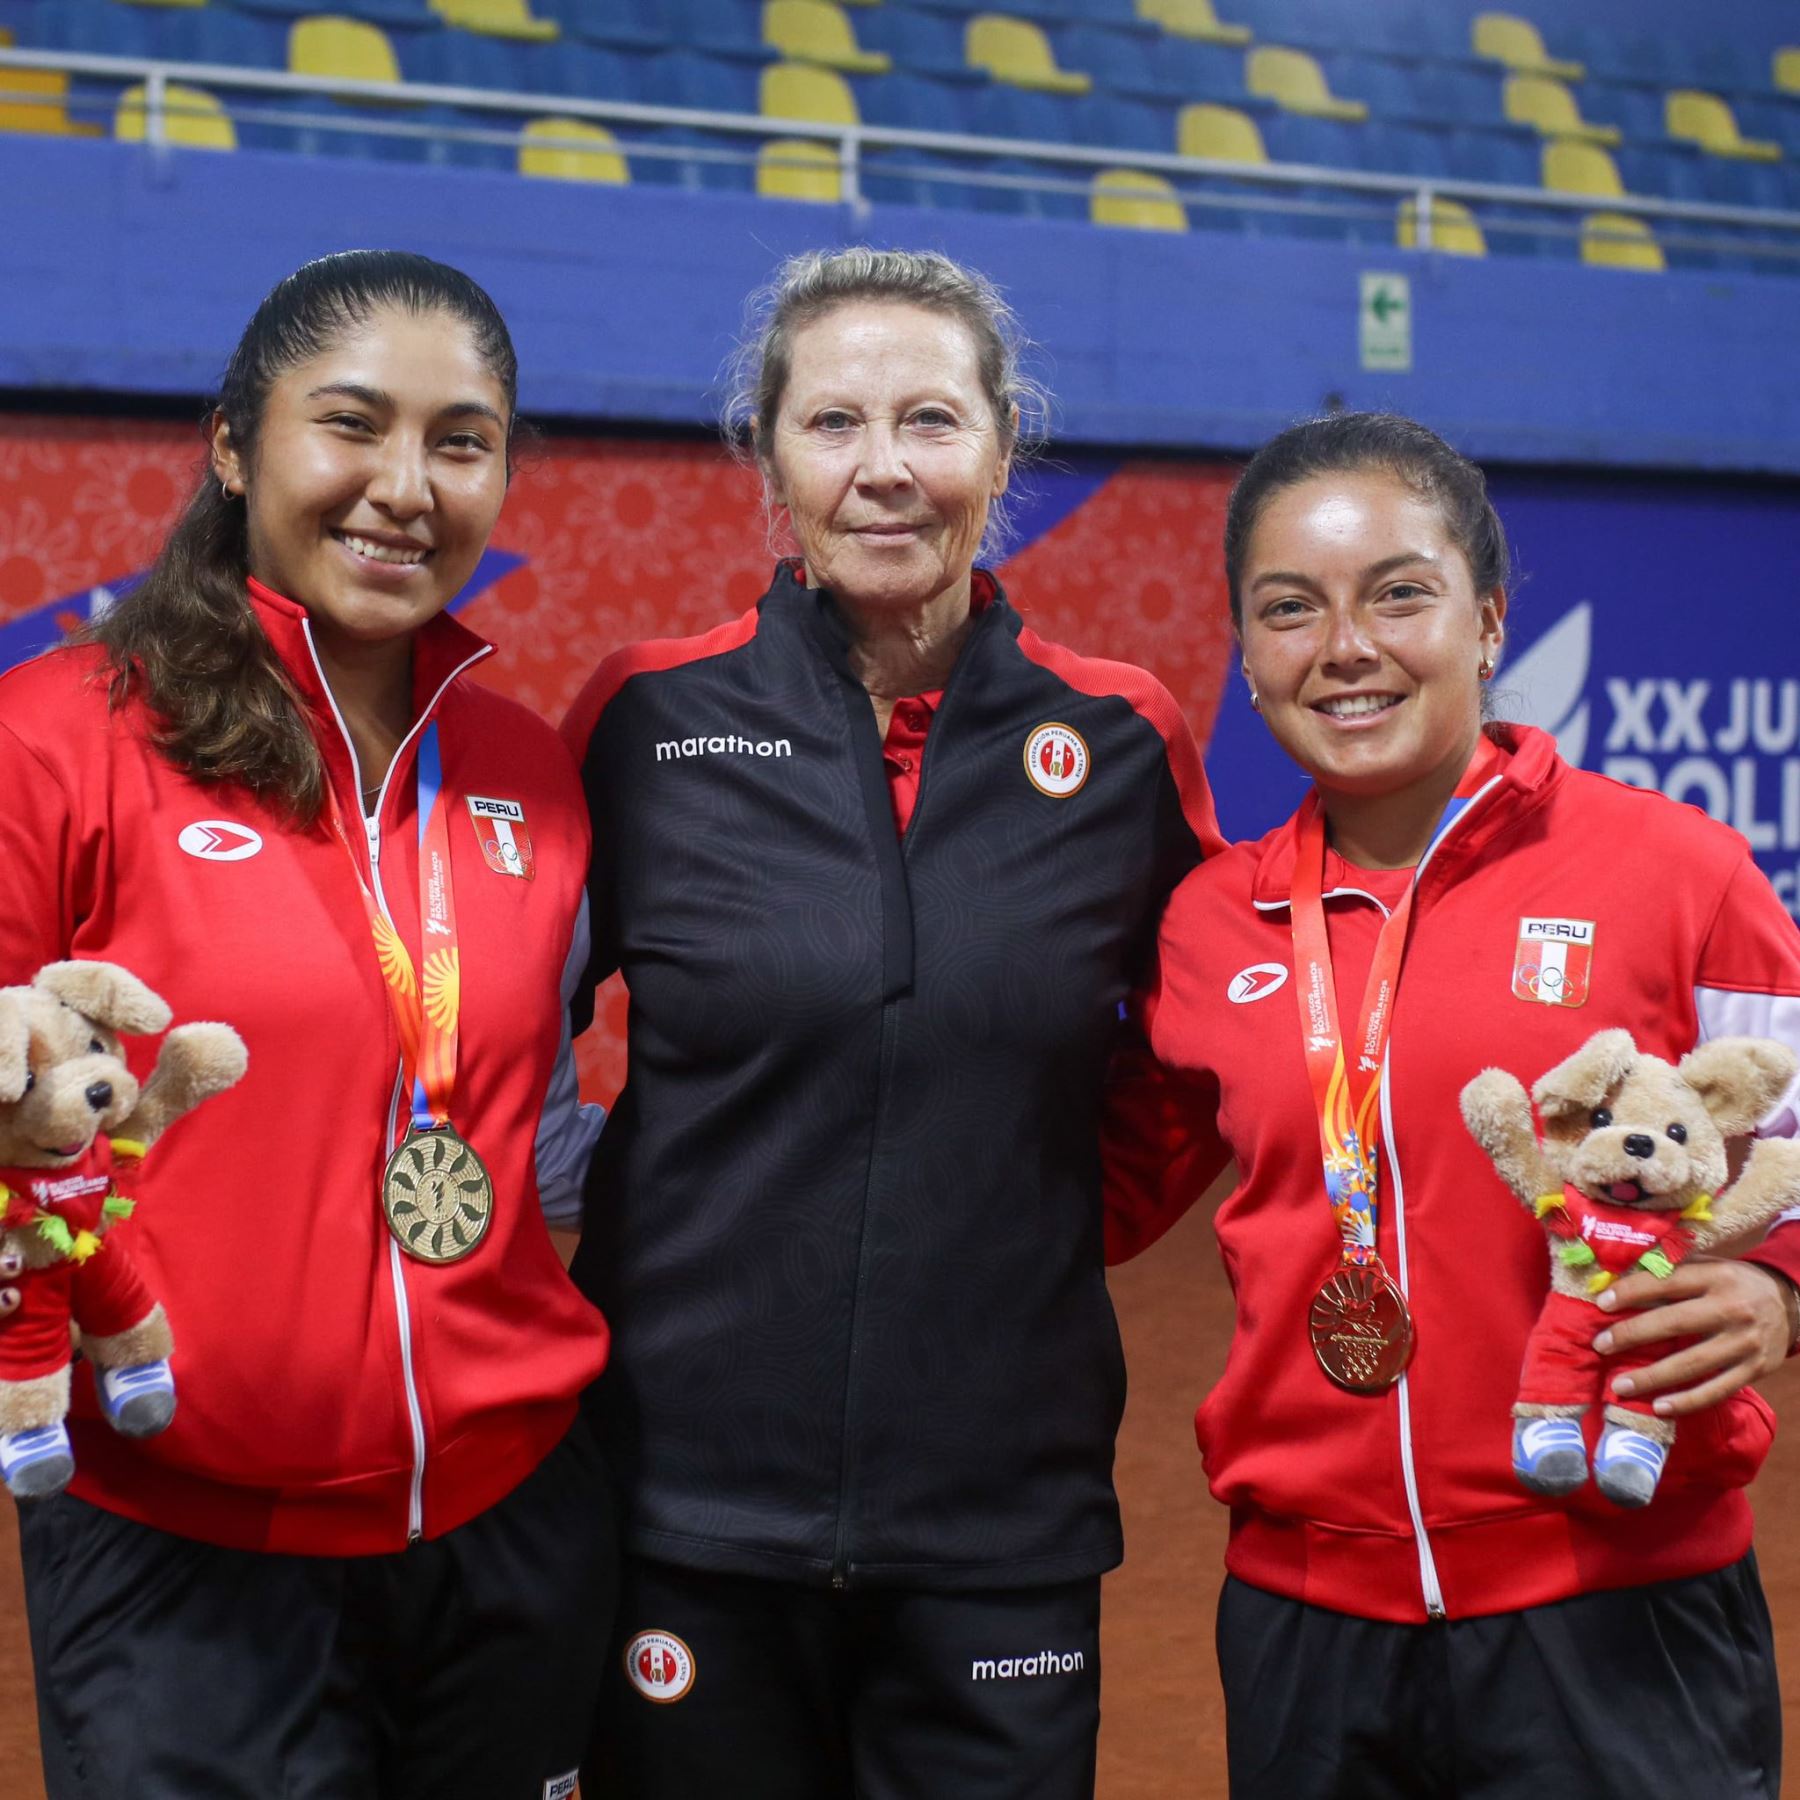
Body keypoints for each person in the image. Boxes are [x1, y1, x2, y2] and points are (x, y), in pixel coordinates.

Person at [560, 246, 1222, 1798]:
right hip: (684, 1507)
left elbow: (1198, 1045)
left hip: (1001, 1515)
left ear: (1002, 449)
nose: (882, 471)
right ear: (768, 452)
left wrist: (1031, 1210)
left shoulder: (1121, 733)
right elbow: (497, 1031)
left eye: (929, 422)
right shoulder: (645, 715)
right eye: (833, 423)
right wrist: (650, 1212)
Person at [1107, 412, 1800, 1798]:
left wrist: (1782, 1287)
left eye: (1398, 593)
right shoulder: (1207, 924)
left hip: (1617, 1599)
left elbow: (1793, 1147)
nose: (1343, 647)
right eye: (1288, 610)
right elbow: (1095, 1188)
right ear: (1247, 660)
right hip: (1308, 1621)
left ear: (1488, 621)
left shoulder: (1679, 870)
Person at [0, 250, 616, 1799]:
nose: (406, 486)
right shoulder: (63, 741)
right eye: (352, 425)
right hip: (184, 1545)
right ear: (231, 445)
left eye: (461, 442)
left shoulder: (530, 771)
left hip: (511, 1520)